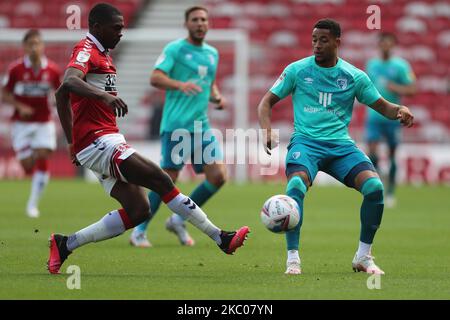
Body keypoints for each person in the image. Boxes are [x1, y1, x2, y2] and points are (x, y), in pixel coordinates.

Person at [47, 3, 249, 275]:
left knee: (139, 209)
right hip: (99, 142)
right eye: (116, 28)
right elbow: (69, 82)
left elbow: (61, 95)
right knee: (162, 180)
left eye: (123, 27)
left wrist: (72, 142)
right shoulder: (86, 50)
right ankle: (220, 237)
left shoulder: (104, 55)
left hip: (99, 141)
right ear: (96, 27)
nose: (121, 33)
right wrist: (103, 97)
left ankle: (65, 244)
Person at [257, 19, 414, 275]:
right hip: (306, 143)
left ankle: (363, 256)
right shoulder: (297, 70)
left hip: (341, 146)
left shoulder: (354, 77)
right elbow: (266, 102)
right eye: (314, 40)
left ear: (337, 42)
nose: (317, 45)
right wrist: (265, 129)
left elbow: (383, 106)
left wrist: (401, 110)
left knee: (374, 188)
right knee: (295, 185)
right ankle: (293, 259)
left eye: (323, 40)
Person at [130, 6, 227, 248]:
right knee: (167, 180)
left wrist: (216, 97)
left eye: (204, 19)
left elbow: (209, 84)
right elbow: (155, 77)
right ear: (187, 24)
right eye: (195, 19)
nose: (200, 23)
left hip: (201, 126)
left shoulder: (212, 53)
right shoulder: (175, 49)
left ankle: (178, 219)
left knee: (218, 176)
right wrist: (179, 84)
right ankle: (139, 230)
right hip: (177, 126)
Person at [2, 29, 61, 218]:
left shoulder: (52, 70)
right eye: (30, 44)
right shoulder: (15, 69)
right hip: (22, 124)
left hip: (44, 122)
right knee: (27, 166)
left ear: (43, 46)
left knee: (45, 154)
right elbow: (4, 94)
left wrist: (55, 100)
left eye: (37, 43)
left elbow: (60, 92)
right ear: (25, 47)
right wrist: (20, 106)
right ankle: (32, 153)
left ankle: (32, 204)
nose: (34, 47)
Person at [365, 32, 416, 208]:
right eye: (382, 43)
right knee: (371, 151)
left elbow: (412, 89)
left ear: (393, 45)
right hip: (373, 116)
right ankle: (379, 183)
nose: (385, 46)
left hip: (394, 116)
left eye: (389, 43)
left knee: (393, 154)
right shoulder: (371, 65)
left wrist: (396, 87)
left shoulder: (401, 66)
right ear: (379, 45)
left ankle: (391, 191)